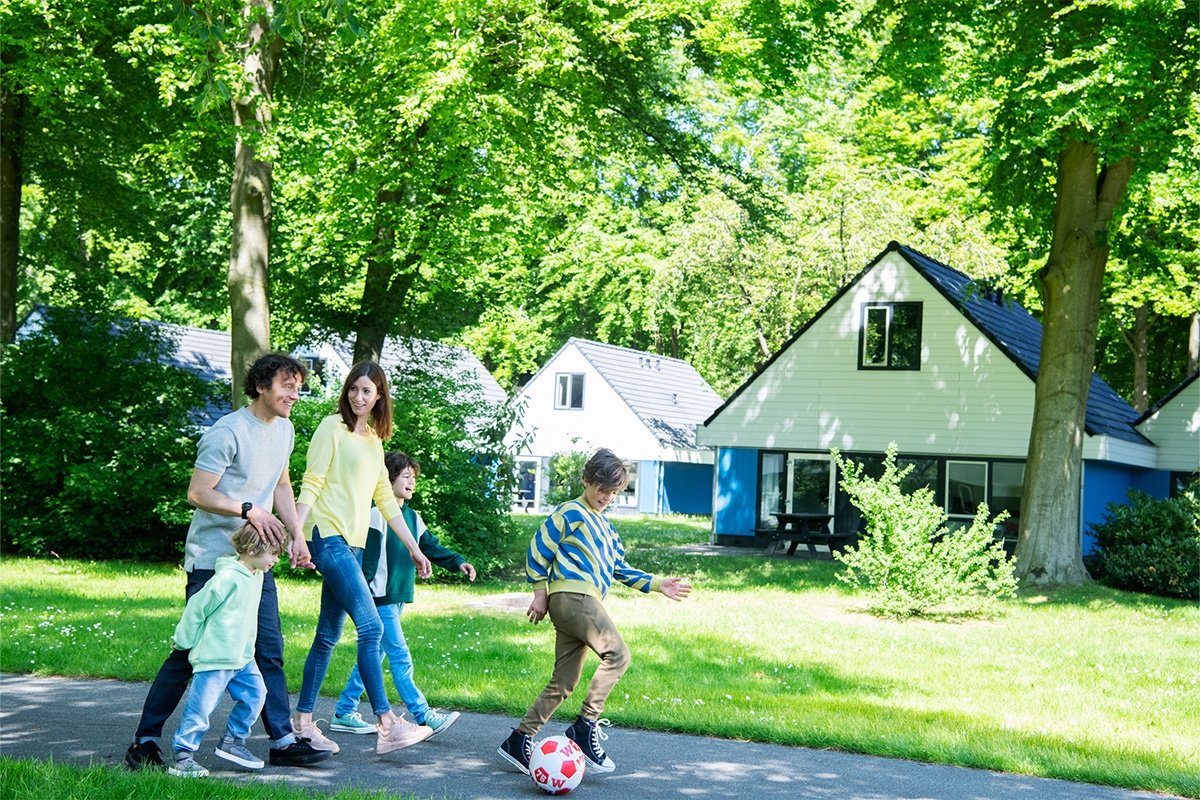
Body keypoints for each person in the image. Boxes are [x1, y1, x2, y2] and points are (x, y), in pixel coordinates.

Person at [126, 353, 329, 770]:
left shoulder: (285, 430)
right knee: (191, 653)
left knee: (268, 649)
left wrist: (296, 535)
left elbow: (283, 483)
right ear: (260, 386)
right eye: (287, 385)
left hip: (257, 560)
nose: (295, 393)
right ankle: (145, 741)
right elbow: (198, 493)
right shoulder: (228, 431)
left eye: (298, 386)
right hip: (213, 560)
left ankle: (283, 739)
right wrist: (248, 509)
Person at [497, 448, 693, 775]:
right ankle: (585, 726)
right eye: (603, 490)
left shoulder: (607, 528)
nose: (608, 497)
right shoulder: (571, 512)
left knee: (564, 682)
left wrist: (659, 584)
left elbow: (619, 568)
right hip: (574, 597)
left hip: (581, 606)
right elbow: (538, 549)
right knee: (618, 654)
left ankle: (519, 739)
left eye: (615, 492)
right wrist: (539, 593)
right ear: (586, 480)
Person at [292, 362, 436, 756]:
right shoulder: (330, 428)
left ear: (379, 397)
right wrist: (296, 534)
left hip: (353, 546)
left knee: (327, 636)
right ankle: (387, 724)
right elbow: (312, 481)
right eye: (354, 389)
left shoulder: (373, 441)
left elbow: (386, 500)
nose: (359, 396)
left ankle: (302, 722)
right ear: (347, 391)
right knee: (371, 628)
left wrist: (413, 546)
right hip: (327, 536)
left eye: (367, 391)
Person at [329, 451, 476, 738]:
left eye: (414, 478)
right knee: (400, 656)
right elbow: (365, 562)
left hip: (397, 598)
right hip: (378, 599)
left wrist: (458, 562)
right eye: (406, 476)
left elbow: (429, 546)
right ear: (388, 479)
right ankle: (423, 714)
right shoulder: (375, 514)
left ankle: (344, 711)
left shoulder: (412, 516)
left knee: (375, 655)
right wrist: (361, 599)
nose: (412, 482)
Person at [167, 524, 285, 777]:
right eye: (273, 554)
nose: (276, 560)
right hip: (215, 658)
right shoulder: (227, 578)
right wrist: (183, 640)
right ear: (253, 549)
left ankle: (233, 742)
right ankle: (183, 755)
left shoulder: (256, 575)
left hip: (242, 658)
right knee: (201, 709)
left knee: (257, 695)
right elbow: (197, 607)